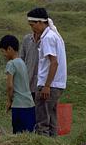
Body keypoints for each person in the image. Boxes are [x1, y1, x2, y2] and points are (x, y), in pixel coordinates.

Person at [26, 7, 67, 137]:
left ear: (40, 22)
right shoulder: (54, 35)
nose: (32, 29)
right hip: (57, 85)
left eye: (32, 25)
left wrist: (47, 86)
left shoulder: (48, 38)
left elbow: (53, 63)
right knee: (52, 120)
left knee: (42, 122)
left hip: (48, 85)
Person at [0, 35, 36, 134]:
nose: (3, 55)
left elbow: (10, 86)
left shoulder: (11, 64)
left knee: (18, 136)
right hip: (30, 105)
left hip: (19, 106)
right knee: (29, 135)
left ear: (10, 49)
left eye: (3, 51)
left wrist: (9, 100)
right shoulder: (22, 63)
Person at [19, 31, 39, 100]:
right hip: (27, 83)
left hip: (41, 86)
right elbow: (21, 59)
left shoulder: (47, 40)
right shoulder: (27, 39)